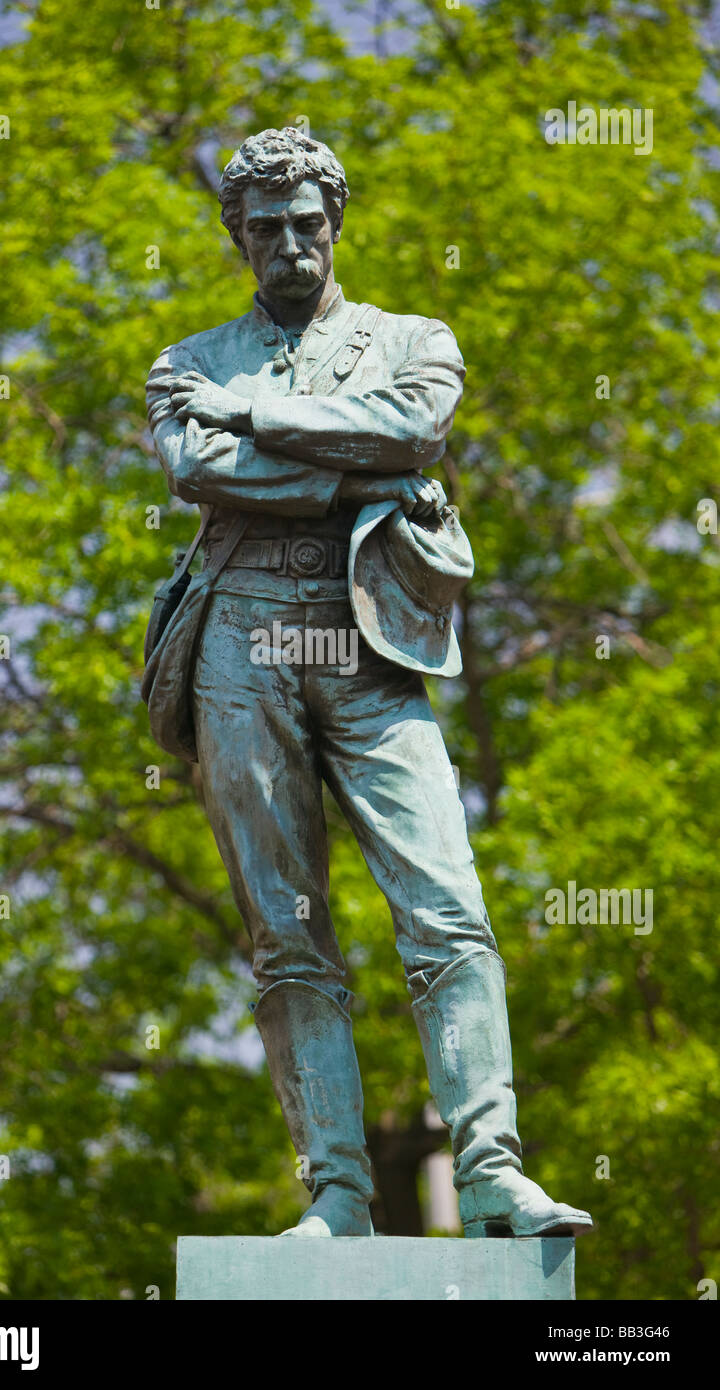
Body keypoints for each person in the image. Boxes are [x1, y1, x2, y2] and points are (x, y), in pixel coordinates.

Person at [146, 127, 592, 1240]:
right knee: (286, 935)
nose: (290, 245)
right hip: (238, 645)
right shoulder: (185, 361)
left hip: (369, 646)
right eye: (266, 229)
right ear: (236, 235)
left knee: (447, 906)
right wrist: (347, 461)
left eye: (308, 223)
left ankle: (490, 1171)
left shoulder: (410, 338)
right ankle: (337, 1193)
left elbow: (417, 429)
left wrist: (256, 420)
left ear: (336, 221)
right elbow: (197, 469)